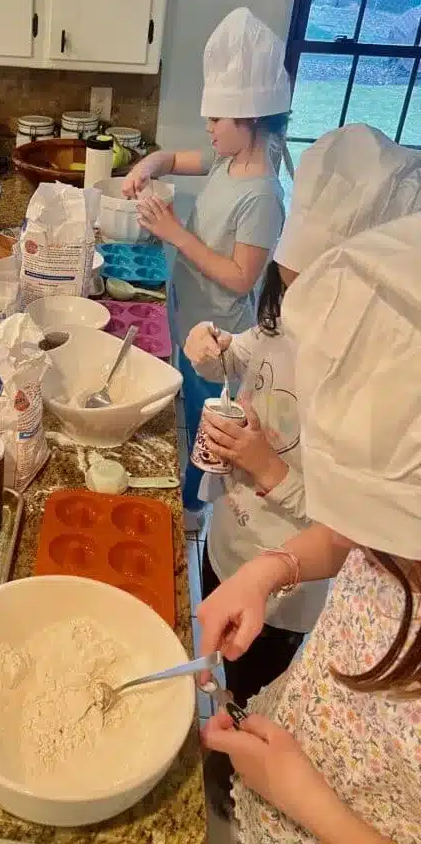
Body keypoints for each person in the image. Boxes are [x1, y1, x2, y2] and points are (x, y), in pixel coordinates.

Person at [199, 215, 421, 844]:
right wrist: (268, 571)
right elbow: (353, 537)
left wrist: (307, 800)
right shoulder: (391, 527)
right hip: (297, 740)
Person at [184, 124, 421, 707]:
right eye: (285, 291)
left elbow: (349, 533)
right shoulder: (286, 313)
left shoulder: (383, 400)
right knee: (217, 651)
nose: (294, 316)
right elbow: (253, 352)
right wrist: (217, 349)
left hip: (291, 593)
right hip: (234, 543)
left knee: (248, 683)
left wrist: (270, 469)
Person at [123, 8, 291, 514]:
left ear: (251, 118)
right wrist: (148, 163)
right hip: (188, 308)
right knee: (185, 400)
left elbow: (241, 280)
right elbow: (174, 160)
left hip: (218, 338)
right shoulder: (229, 158)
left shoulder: (263, 194)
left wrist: (174, 232)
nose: (208, 127)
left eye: (216, 118)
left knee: (205, 418)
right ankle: (187, 481)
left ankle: (192, 505)